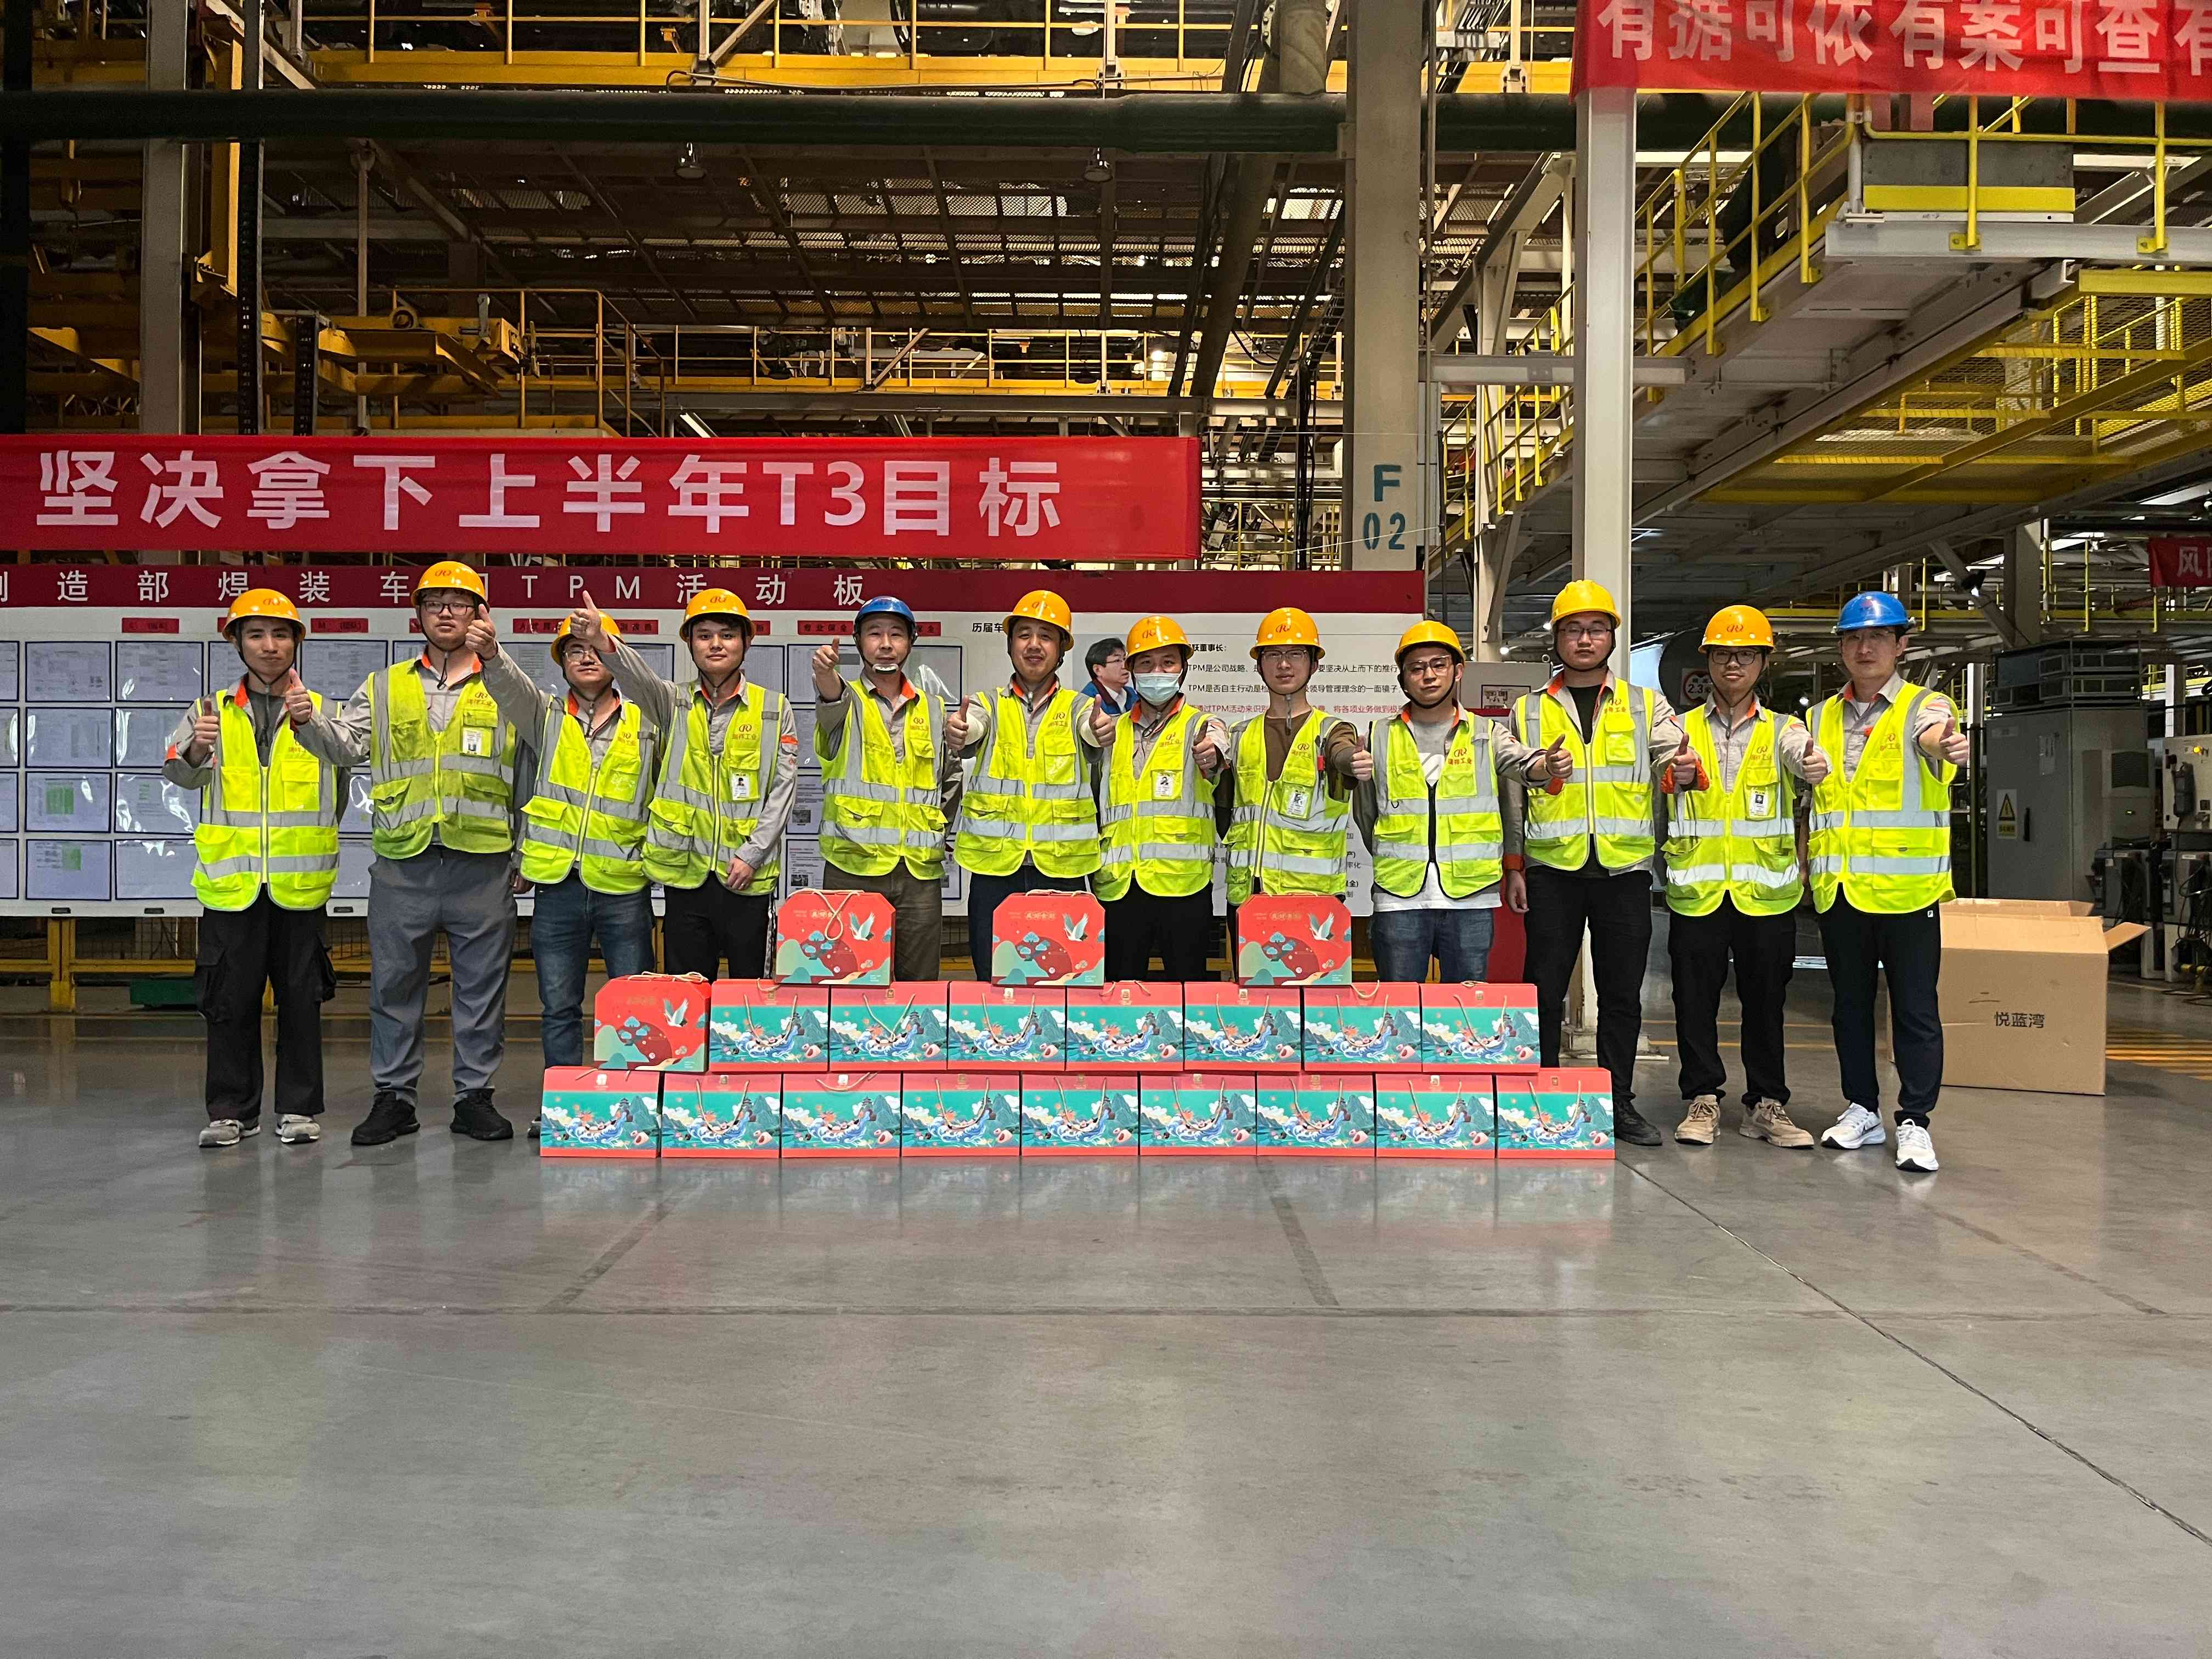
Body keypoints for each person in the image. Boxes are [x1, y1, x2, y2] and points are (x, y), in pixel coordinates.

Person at [294, 561, 522, 1146]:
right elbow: (346, 747)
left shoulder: (506, 683)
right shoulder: (384, 686)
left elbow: (536, 759)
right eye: (434, 602)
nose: (446, 612)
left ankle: (475, 1097)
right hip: (404, 863)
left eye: (459, 602)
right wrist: (308, 722)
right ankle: (394, 1098)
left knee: (482, 988)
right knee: (394, 987)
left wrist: (523, 851)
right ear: (417, 614)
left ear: (481, 614)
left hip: (483, 862)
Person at [1499, 579, 1685, 1149]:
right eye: (1574, 630)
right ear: (1557, 639)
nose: (1585, 639)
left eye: (1596, 629)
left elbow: (1671, 755)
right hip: (1552, 871)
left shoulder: (1645, 705)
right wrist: (1515, 864)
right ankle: (1542, 1097)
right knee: (1543, 989)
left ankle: (1617, 1101)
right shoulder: (1528, 709)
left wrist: (1683, 766)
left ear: (1612, 638)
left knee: (1622, 995)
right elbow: (1512, 792)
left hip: (1623, 872)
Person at [165, 589, 342, 1150]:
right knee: (228, 1001)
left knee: (301, 1001)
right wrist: (197, 751)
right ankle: (230, 1111)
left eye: (281, 634)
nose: (270, 646)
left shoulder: (324, 710)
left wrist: (312, 724)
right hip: (231, 886)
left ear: (297, 643)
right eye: (257, 635)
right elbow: (178, 774)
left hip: (299, 884)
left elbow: (343, 774)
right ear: (238, 644)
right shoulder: (208, 710)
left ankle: (298, 1109)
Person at [473, 608, 660, 1138]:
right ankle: (562, 1104)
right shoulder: (546, 716)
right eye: (574, 651)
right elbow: (509, 687)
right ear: (561, 665)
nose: (585, 657)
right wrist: (491, 653)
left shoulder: (648, 722)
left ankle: (633, 1103)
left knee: (634, 1004)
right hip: (558, 884)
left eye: (596, 649)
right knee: (558, 1005)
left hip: (623, 882)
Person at [1804, 591, 1968, 1174]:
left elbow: (1934, 736)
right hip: (1841, 889)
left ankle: (1915, 1121)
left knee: (1915, 1011)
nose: (1864, 648)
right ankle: (1863, 1109)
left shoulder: (1927, 706)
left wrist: (1945, 744)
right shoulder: (1818, 718)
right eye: (1853, 638)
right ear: (1841, 648)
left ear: (1901, 646)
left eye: (1878, 637)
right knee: (1849, 1008)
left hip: (1908, 891)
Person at [1662, 605, 1831, 1149]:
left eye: (1746, 655)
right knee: (1694, 1000)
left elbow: (1803, 758)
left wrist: (1813, 764)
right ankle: (1702, 1097)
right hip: (1698, 890)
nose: (1733, 664)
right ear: (1708, 661)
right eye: (1723, 654)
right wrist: (1673, 773)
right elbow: (1660, 773)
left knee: (1766, 1002)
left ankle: (1766, 1103)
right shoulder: (1679, 729)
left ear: (1764, 662)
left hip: (1766, 893)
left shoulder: (1786, 730)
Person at [572, 587, 797, 981]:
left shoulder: (775, 708)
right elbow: (636, 677)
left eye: (727, 635)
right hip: (686, 876)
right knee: (687, 996)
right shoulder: (671, 701)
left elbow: (782, 790)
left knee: (750, 994)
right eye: (704, 635)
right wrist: (603, 643)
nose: (716, 644)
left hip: (747, 878)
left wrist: (753, 854)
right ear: (690, 644)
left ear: (746, 642)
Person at [1355, 621, 1545, 985]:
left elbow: (1525, 765)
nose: (1428, 675)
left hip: (1470, 899)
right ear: (1403, 679)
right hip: (1399, 899)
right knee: (1399, 1006)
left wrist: (1547, 766)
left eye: (1438, 665)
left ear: (1458, 671)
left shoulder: (1486, 734)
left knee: (1464, 1010)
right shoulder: (1378, 736)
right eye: (1416, 668)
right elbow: (1366, 814)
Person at [950, 589, 1104, 970]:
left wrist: (1099, 731)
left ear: (1061, 649)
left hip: (1062, 870)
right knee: (993, 977)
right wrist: (960, 731)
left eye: (1046, 636)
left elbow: (1092, 730)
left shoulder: (1080, 707)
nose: (1034, 645)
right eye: (1024, 635)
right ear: (1010, 645)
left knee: (1065, 977)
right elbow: (971, 728)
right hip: (996, 870)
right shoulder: (987, 704)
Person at [812, 595, 960, 982]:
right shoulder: (844, 699)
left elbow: (950, 777)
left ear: (910, 642)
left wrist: (937, 828)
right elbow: (829, 696)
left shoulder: (933, 708)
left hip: (918, 874)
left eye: (896, 634)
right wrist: (825, 675)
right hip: (852, 867)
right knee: (849, 979)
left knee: (920, 984)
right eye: (874, 634)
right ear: (859, 642)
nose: (885, 644)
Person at [1089, 614, 1231, 980]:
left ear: (1183, 669)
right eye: (1147, 663)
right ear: (1131, 670)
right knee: (1119, 993)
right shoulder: (1112, 732)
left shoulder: (1202, 725)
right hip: (1120, 888)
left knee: (1188, 994)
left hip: (1183, 888)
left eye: (1168, 662)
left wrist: (1213, 755)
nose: (1157, 672)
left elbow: (1218, 746)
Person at [1224, 606, 1363, 919]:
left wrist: (1351, 762)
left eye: (1296, 654)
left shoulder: (1332, 731)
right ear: (1259, 665)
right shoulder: (1240, 735)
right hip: (1247, 897)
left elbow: (1342, 753)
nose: (1284, 664)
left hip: (1314, 901)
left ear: (1314, 664)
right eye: (1273, 654)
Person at [1082, 636, 1132, 718]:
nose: (1125, 666)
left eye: (1124, 659)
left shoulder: (1133, 694)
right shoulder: (1088, 700)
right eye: (1117, 660)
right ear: (1098, 670)